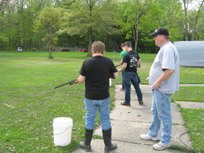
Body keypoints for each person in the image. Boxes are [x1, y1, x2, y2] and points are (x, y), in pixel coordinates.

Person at [140, 27, 180, 151]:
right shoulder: (166, 48)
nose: (153, 39)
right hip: (159, 88)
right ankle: (153, 134)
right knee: (156, 112)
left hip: (162, 88)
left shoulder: (168, 49)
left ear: (162, 36)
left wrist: (157, 82)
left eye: (155, 36)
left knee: (164, 114)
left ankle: (165, 141)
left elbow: (169, 70)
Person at [77, 41, 118, 152]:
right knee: (105, 119)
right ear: (103, 52)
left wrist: (76, 80)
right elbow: (115, 75)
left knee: (90, 118)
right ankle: (108, 146)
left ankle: (87, 145)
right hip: (104, 96)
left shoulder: (87, 62)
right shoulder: (108, 61)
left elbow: (81, 80)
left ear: (92, 51)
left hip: (90, 96)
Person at [117, 41, 143, 106]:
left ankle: (127, 102)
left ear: (126, 46)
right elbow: (139, 60)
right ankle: (140, 100)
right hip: (134, 72)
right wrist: (136, 64)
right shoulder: (135, 53)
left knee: (127, 88)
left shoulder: (126, 55)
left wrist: (120, 69)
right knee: (137, 87)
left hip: (127, 73)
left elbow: (125, 66)